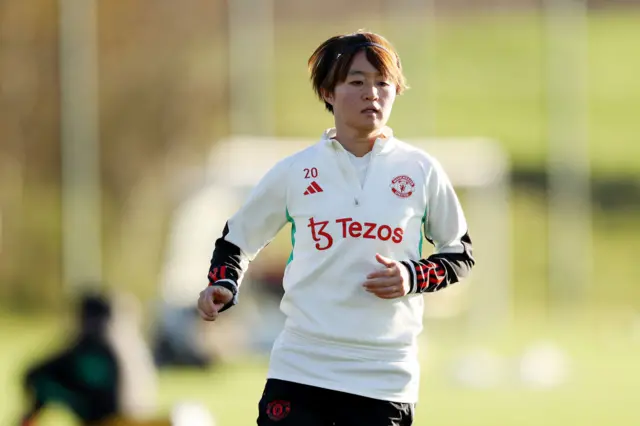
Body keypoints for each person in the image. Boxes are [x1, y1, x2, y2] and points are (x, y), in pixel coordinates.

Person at [197, 30, 475, 426]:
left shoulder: (421, 170)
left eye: (383, 83)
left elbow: (459, 252)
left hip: (384, 374)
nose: (372, 94)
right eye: (357, 82)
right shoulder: (295, 171)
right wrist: (223, 283)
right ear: (328, 92)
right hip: (301, 365)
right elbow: (237, 239)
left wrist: (412, 276)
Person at [19, 291, 175, 426]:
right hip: (137, 416)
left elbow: (35, 374)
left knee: (44, 384)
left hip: (115, 420)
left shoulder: (95, 347)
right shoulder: (127, 341)